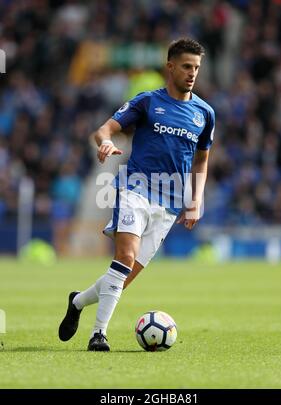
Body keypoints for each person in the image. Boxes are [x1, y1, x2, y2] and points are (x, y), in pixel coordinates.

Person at [58, 38, 215, 351]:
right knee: (125, 257)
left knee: (124, 275)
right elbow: (104, 129)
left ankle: (77, 301)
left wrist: (195, 200)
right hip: (136, 188)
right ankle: (98, 335)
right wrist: (104, 142)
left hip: (170, 203)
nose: (192, 73)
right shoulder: (147, 101)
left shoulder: (205, 113)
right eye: (186, 66)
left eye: (196, 67)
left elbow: (201, 160)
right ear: (170, 67)